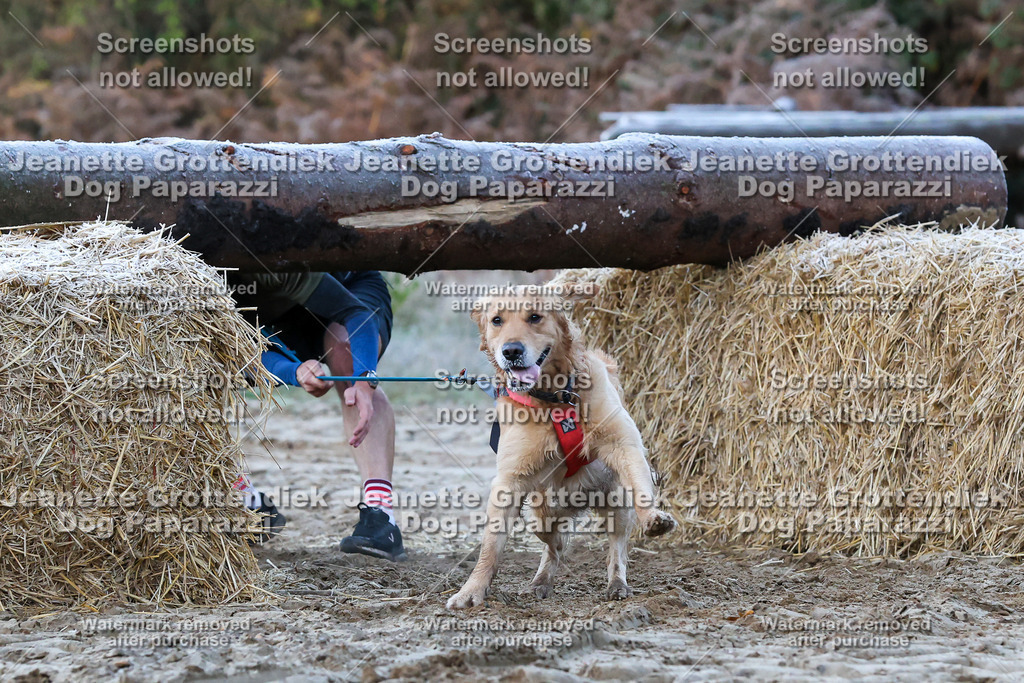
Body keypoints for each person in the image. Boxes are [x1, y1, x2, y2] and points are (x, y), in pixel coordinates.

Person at [230, 270, 405, 561]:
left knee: (344, 348)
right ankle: (245, 498)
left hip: (346, 290)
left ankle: (381, 515)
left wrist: (364, 379)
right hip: (275, 320)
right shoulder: (199, 277)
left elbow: (356, 312)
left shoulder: (276, 264)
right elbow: (241, 349)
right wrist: (295, 372)